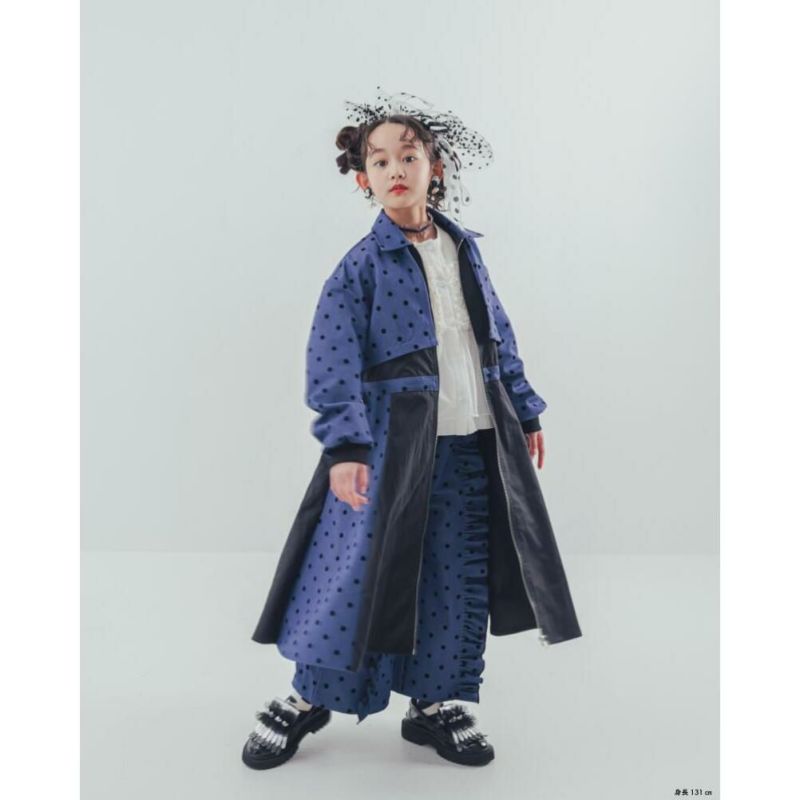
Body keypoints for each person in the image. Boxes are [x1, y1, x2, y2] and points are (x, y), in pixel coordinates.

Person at [241, 87, 582, 770]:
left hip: (468, 440)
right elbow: (332, 360)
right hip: (388, 449)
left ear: (436, 167)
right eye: (379, 161)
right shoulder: (361, 267)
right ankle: (310, 695)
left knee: (456, 570)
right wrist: (346, 445)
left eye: (409, 156)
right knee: (354, 573)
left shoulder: (464, 250)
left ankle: (434, 702)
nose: (395, 169)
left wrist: (524, 407)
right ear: (363, 180)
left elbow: (496, 335)